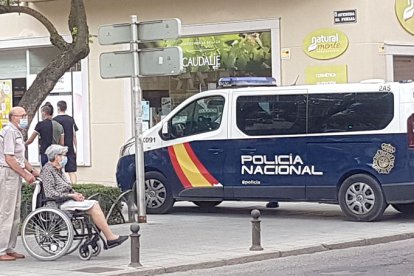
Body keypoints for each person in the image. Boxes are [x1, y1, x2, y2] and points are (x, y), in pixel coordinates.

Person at [40, 144, 128, 248]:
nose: (64, 158)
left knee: (94, 205)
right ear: (56, 156)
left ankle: (103, 237)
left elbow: (66, 188)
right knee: (94, 205)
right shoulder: (47, 170)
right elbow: (51, 193)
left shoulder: (58, 170)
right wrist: (71, 196)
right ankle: (109, 237)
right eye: (62, 155)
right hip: (58, 204)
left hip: (66, 200)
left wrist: (75, 194)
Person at [0, 106, 39, 261]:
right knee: (6, 211)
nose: (25, 118)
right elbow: (9, 158)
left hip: (15, 174)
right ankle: (1, 249)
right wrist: (25, 174)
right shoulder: (9, 131)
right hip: (8, 173)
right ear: (13, 117)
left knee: (15, 211)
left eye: (25, 115)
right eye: (21, 115)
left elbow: (20, 157)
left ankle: (9, 247)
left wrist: (32, 170)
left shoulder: (18, 132)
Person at [54, 100, 78, 183]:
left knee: (57, 169)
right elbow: (74, 134)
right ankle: (75, 187)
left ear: (58, 108)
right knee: (71, 171)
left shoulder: (55, 120)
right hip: (69, 147)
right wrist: (76, 147)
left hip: (58, 148)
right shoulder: (70, 119)